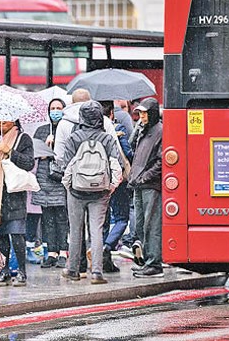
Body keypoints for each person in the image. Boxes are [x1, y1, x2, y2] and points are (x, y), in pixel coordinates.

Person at [60, 100, 122, 285]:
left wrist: (68, 186)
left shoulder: (74, 138)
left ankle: (73, 270)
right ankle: (96, 272)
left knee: (75, 231)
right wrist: (111, 187)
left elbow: (66, 166)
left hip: (76, 191)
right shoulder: (107, 139)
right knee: (96, 231)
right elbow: (115, 165)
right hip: (100, 192)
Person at [0, 117, 35, 287]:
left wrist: (9, 151)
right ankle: (4, 270)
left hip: (13, 194)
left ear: (14, 121)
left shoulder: (23, 138)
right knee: (0, 236)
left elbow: (29, 163)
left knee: (17, 235)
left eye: (5, 121)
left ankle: (22, 271)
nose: (1, 123)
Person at [127, 97, 164, 278]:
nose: (141, 116)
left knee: (152, 225)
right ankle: (148, 260)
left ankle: (154, 263)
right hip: (139, 183)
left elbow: (161, 161)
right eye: (139, 113)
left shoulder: (161, 131)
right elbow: (131, 145)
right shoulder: (144, 130)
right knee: (141, 225)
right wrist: (137, 129)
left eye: (144, 113)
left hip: (150, 185)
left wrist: (144, 177)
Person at [33, 98, 69, 269]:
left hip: (60, 178)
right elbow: (33, 152)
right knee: (47, 218)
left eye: (59, 108)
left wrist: (54, 151)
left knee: (62, 217)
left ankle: (63, 251)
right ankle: (52, 252)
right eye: (52, 108)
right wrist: (45, 148)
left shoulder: (67, 129)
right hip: (43, 177)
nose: (55, 111)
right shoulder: (41, 131)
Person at [100, 100, 133, 273]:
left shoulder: (92, 130)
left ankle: (99, 256)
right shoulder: (118, 129)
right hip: (117, 179)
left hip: (97, 179)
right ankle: (107, 246)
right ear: (112, 113)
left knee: (102, 220)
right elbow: (127, 152)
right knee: (121, 217)